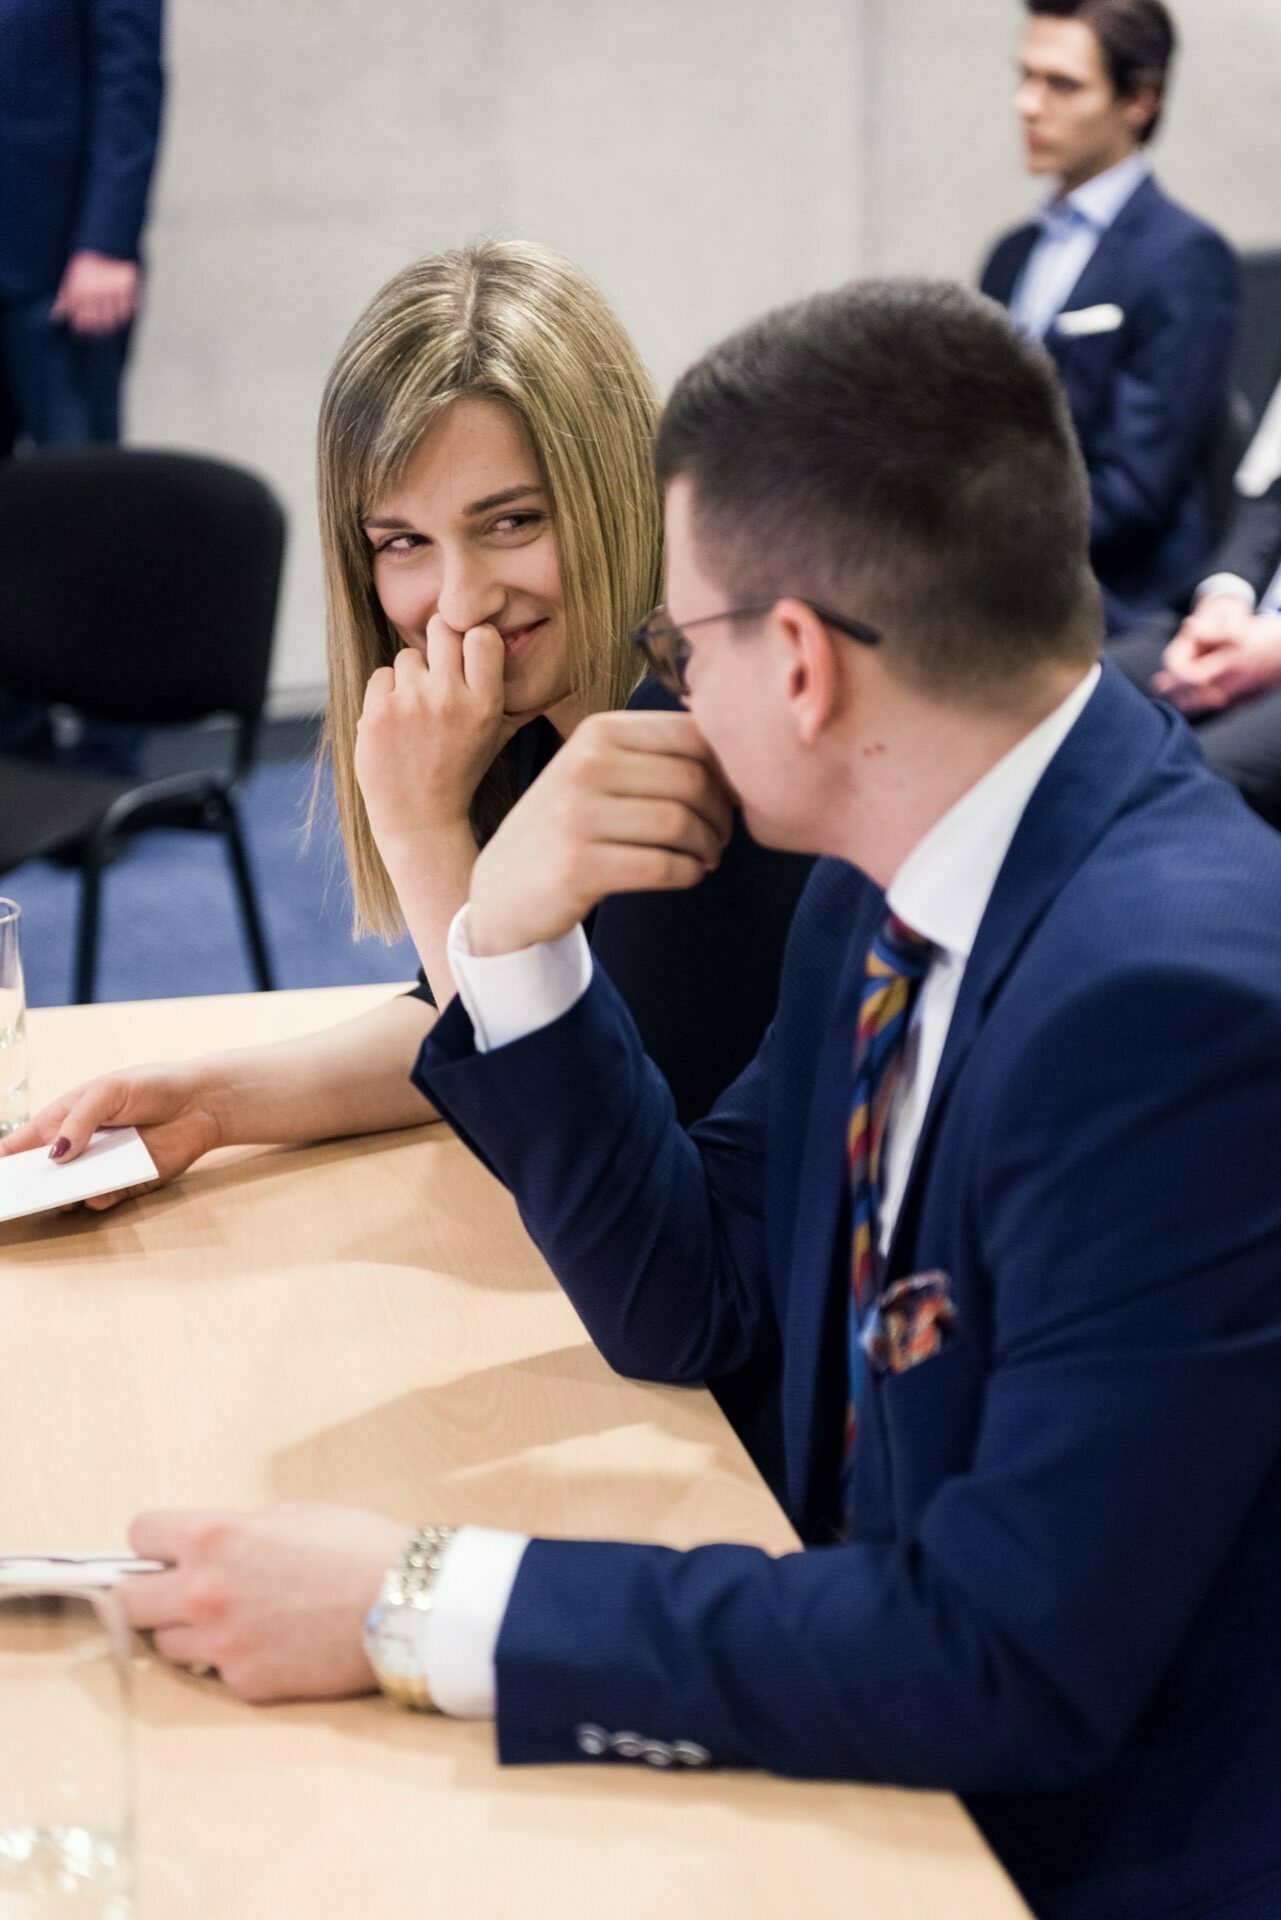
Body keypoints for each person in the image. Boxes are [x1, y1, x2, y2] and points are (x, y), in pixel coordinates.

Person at [117, 280, 1281, 1920]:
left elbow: (1006, 1661)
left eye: (679, 644)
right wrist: (506, 937)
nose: (661, 692)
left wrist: (420, 1600)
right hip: (864, 1699)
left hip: (1063, 1845)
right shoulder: (886, 879)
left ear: (795, 661)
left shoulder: (1170, 1008)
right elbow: (695, 1296)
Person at [2, 241, 811, 1173]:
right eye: (404, 542)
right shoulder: (534, 715)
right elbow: (461, 1014)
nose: (459, 602)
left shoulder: (700, 736)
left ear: (615, 489)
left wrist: (424, 831)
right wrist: (212, 1103)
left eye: (513, 522)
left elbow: (573, 1152)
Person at [980, 0, 1237, 634]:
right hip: (999, 584)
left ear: (1139, 102)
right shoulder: (1010, 255)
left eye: (1061, 84)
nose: (1029, 104)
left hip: (1120, 604)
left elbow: (1137, 493)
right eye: (1026, 76)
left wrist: (976, 532)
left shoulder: (1184, 257)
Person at [0, 0, 165, 773]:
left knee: (88, 515)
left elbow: (130, 75)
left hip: (62, 264)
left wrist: (108, 237)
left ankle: (108, 752)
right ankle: (16, 741)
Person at [1109, 457, 1281, 823]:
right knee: (1071, 692)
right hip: (1238, 624)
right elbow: (1273, 501)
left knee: (1179, 783)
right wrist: (1226, 597)